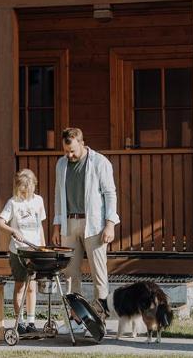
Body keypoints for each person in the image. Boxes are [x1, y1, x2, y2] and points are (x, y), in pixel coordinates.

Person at [51, 127, 119, 322]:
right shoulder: (61, 164)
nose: (69, 155)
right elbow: (58, 196)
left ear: (82, 143)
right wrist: (57, 226)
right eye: (65, 151)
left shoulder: (99, 162)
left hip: (95, 225)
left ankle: (99, 318)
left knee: (99, 272)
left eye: (72, 150)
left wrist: (110, 224)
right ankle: (76, 318)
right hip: (69, 224)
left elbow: (110, 194)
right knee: (71, 273)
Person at [0, 168, 46, 334]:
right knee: (20, 286)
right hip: (18, 251)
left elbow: (40, 227)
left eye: (28, 190)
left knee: (32, 286)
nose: (25, 194)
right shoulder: (13, 202)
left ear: (33, 187)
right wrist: (12, 231)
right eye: (22, 190)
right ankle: (20, 322)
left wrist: (43, 247)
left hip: (34, 251)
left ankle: (31, 321)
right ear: (18, 188)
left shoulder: (38, 201)